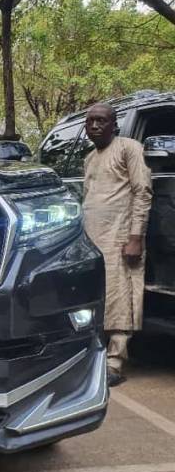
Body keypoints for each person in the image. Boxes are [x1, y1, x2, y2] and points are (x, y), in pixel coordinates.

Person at [83, 103, 153, 386]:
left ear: (115, 125)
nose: (95, 126)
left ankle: (115, 362)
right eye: (90, 121)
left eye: (101, 121)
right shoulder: (89, 158)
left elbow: (143, 191)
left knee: (120, 295)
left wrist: (136, 236)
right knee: (96, 296)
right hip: (91, 239)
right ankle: (96, 359)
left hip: (120, 236)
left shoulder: (129, 148)